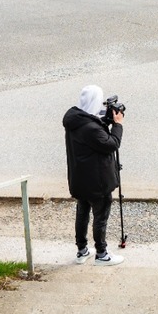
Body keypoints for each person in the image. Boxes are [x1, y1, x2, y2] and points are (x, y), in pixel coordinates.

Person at [63, 84, 125, 266]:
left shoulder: (75, 120)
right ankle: (102, 254)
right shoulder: (90, 128)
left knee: (82, 213)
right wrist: (118, 125)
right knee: (100, 216)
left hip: (80, 180)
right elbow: (111, 144)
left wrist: (104, 121)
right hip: (97, 182)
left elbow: (93, 133)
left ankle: (82, 251)